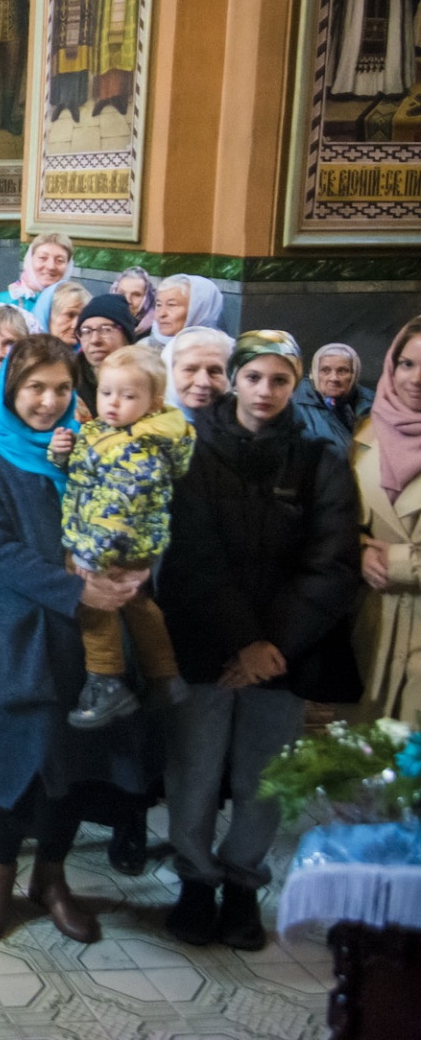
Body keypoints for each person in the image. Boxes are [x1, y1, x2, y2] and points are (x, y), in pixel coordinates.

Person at [158, 330, 362, 951]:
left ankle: (243, 883)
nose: (264, 391)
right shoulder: (191, 454)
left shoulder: (319, 460)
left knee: (264, 776)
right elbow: (194, 557)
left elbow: (331, 562)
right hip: (208, 643)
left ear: (294, 385)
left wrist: (274, 644)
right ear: (234, 381)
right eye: (253, 378)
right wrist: (242, 641)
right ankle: (196, 879)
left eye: (279, 380)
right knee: (194, 770)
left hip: (284, 651)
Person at [0, 337, 146, 945]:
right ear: (10, 389)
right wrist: (74, 591)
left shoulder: (87, 447)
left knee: (74, 763)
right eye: (35, 387)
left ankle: (52, 877)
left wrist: (127, 570)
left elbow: (129, 512)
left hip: (90, 639)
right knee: (15, 761)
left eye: (62, 389)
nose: (48, 401)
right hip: (22, 631)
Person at [57, 343, 192, 727]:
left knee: (94, 602)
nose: (113, 403)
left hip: (110, 544)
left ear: (153, 403)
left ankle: (106, 681)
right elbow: (89, 467)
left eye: (128, 395)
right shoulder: (112, 431)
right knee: (135, 604)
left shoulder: (136, 448)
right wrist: (63, 454)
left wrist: (88, 556)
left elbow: (113, 511)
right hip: (132, 546)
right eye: (106, 392)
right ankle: (164, 675)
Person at [352, 316, 421, 724]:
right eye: (407, 364)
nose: (415, 378)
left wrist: (398, 563)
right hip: (375, 623)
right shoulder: (366, 435)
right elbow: (344, 517)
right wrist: (359, 550)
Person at [293, 342, 374, 453]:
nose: (334, 378)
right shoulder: (294, 405)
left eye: (342, 371)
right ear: (314, 373)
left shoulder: (373, 403)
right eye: (325, 371)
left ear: (354, 374)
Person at [70, 294, 136, 418]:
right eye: (86, 331)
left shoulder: (145, 381)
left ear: (126, 337)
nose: (95, 340)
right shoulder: (69, 380)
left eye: (106, 329)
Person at [162, 325, 236, 420]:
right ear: (168, 372)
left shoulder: (244, 427)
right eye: (190, 370)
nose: (203, 382)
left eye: (214, 372)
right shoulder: (147, 430)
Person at [0, 232, 72, 308]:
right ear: (29, 261)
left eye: (60, 260)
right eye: (43, 258)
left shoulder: (74, 307)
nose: (51, 266)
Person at [147, 273, 225, 347]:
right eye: (158, 305)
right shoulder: (145, 347)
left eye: (171, 305)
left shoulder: (221, 351)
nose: (161, 314)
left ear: (198, 310)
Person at [110, 265, 156, 334]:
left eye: (136, 295)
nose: (128, 300)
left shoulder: (155, 333)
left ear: (147, 299)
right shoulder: (102, 322)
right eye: (122, 293)